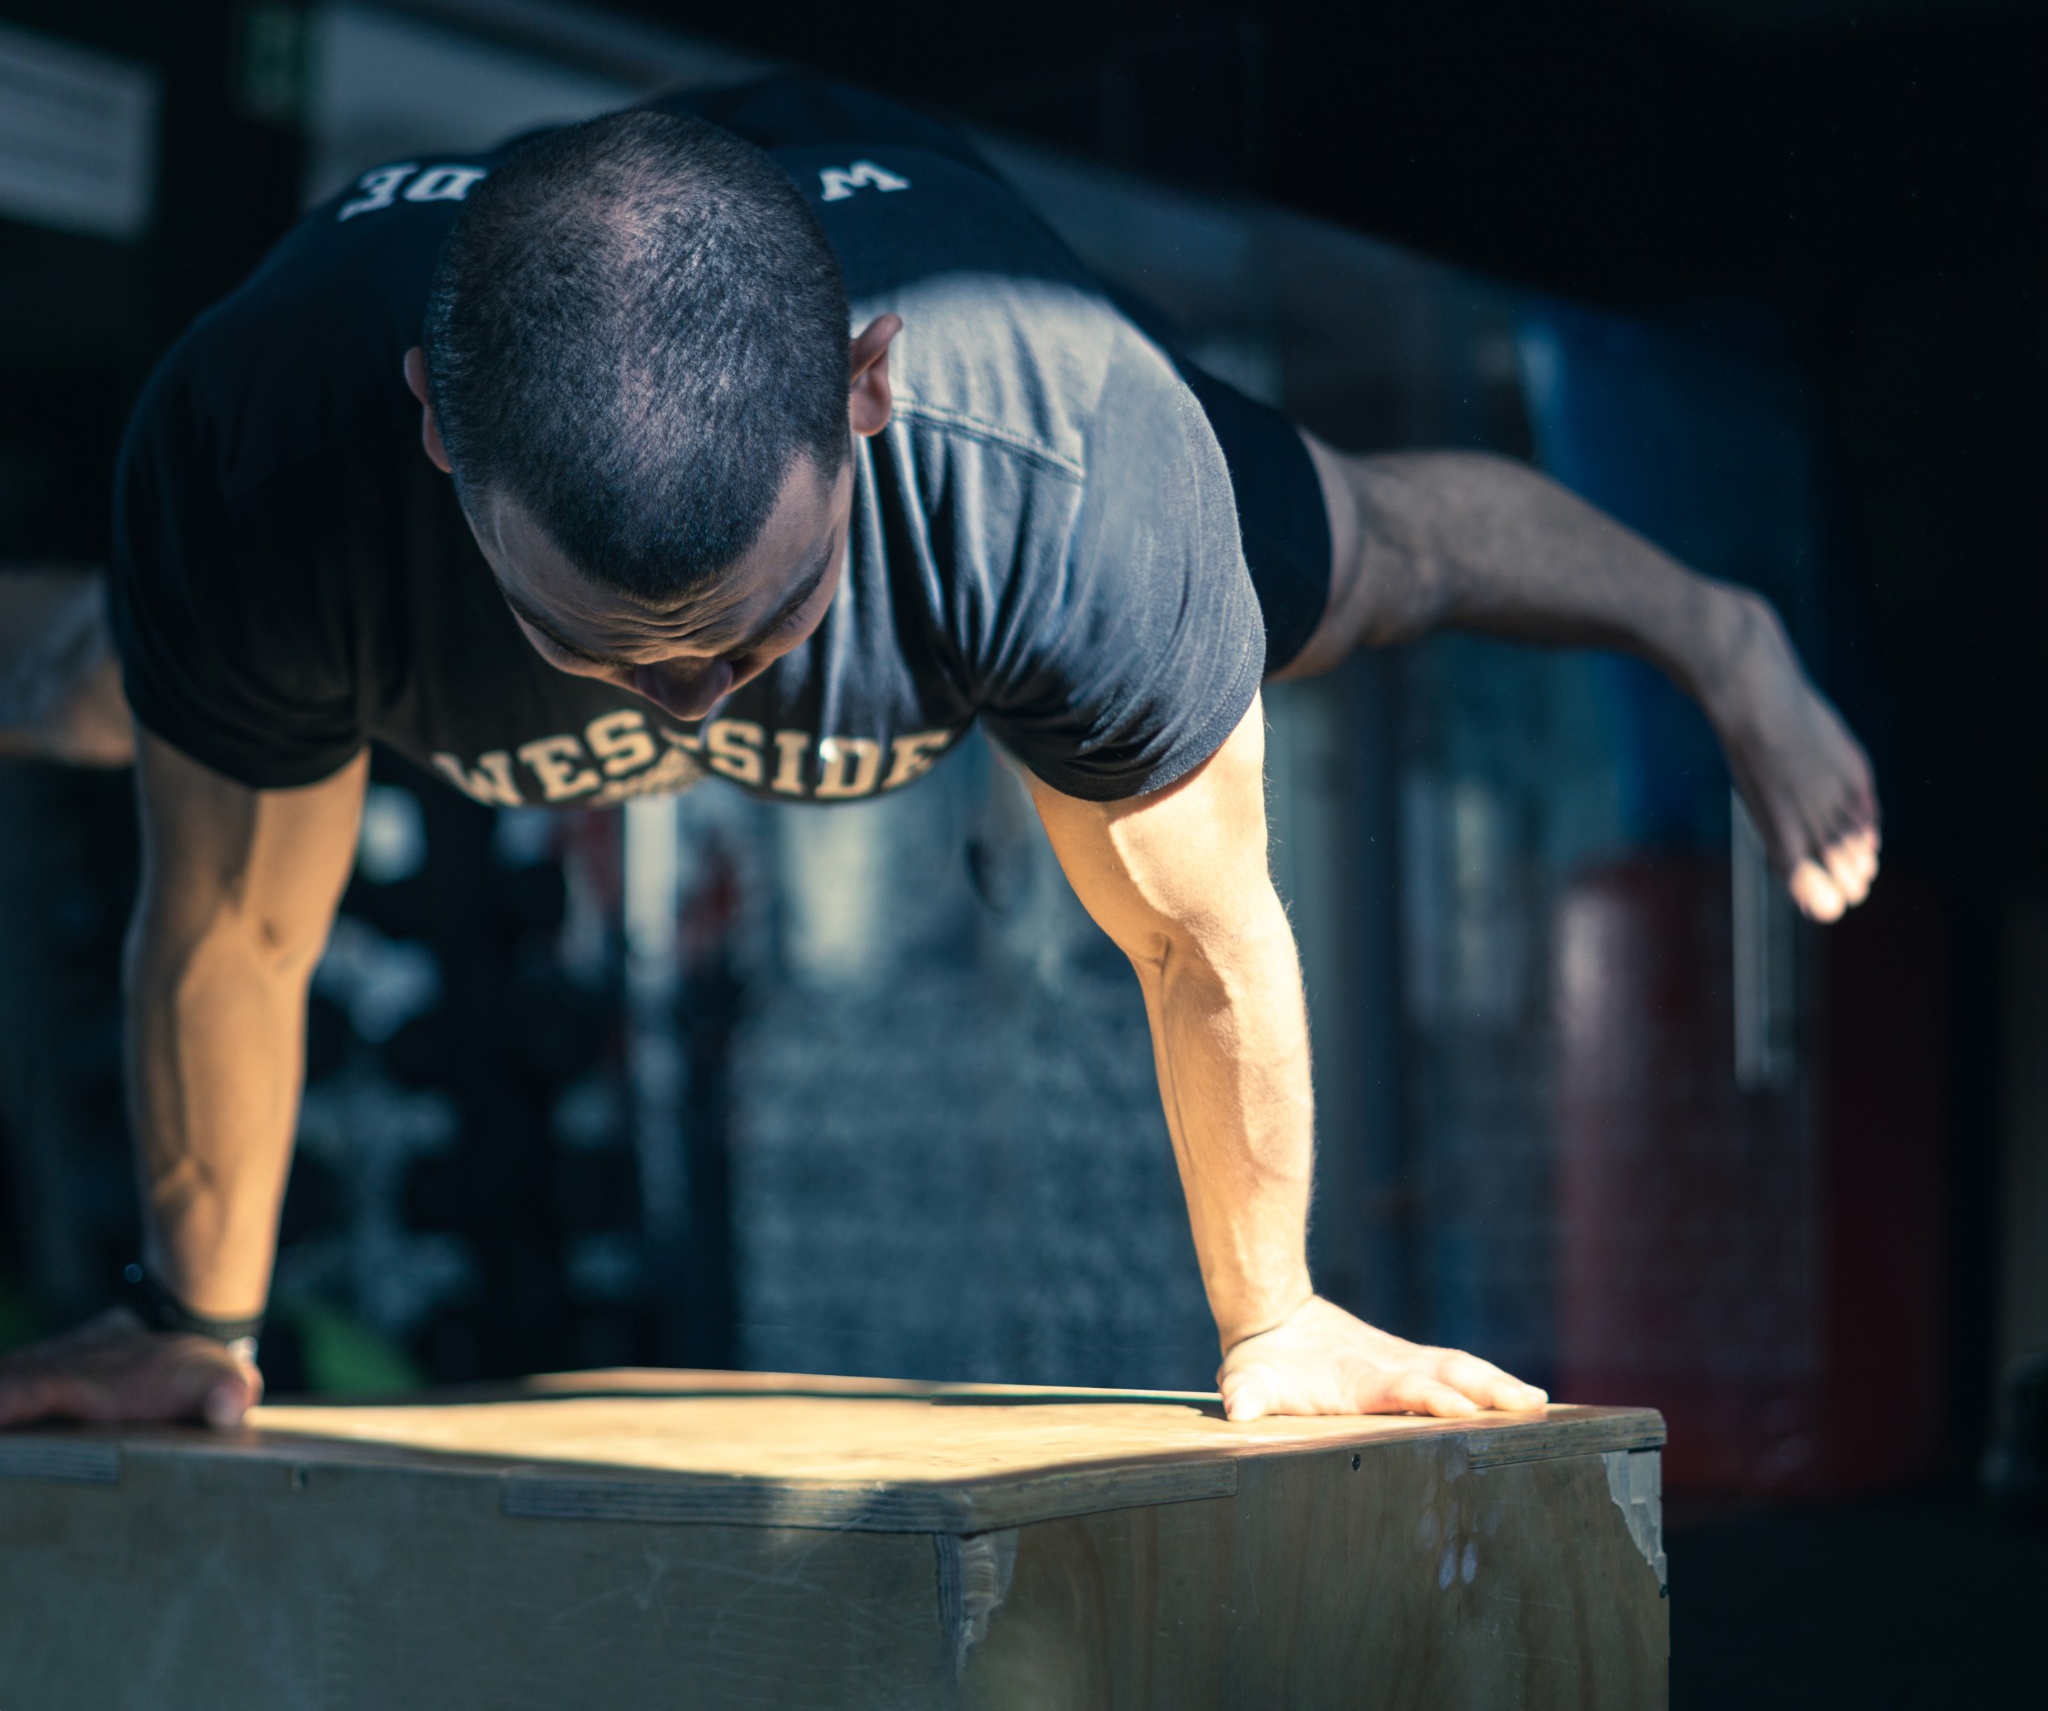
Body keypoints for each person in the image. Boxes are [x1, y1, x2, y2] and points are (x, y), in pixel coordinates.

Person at [0, 77, 1878, 1433]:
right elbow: (232, 933)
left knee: (1378, 552)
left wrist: (1279, 1313)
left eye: (754, 627)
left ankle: (1718, 627)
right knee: (113, 677)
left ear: (868, 385)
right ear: (433, 428)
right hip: (430, 420)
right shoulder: (259, 459)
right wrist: (193, 1322)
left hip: (932, 326)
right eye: (612, 648)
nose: (692, 707)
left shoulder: (1068, 461)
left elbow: (1194, 931)